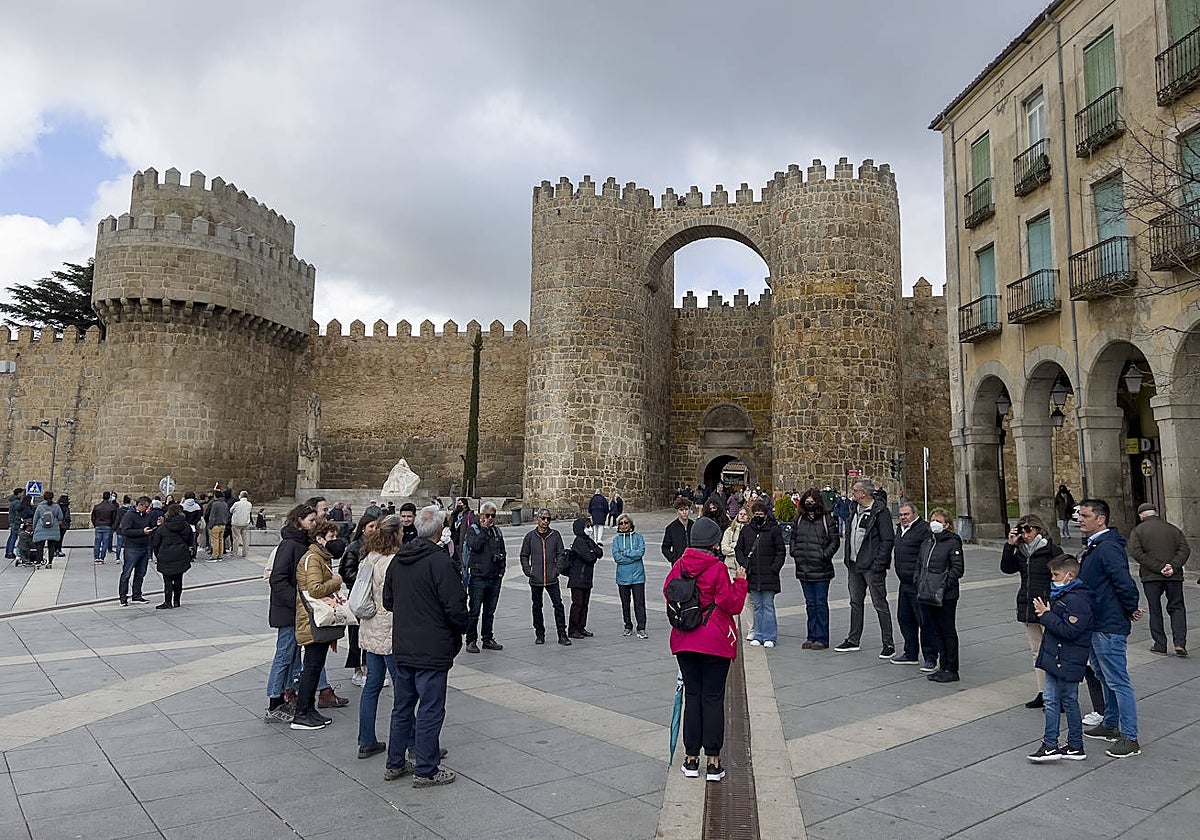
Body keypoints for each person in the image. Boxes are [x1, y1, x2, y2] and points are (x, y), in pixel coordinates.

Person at [382, 505, 469, 787]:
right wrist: (461, 627)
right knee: (430, 708)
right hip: (432, 647)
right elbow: (455, 607)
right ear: (441, 531)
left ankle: (395, 762)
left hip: (404, 645)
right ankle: (426, 769)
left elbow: (389, 601)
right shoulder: (440, 563)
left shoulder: (399, 560)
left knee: (402, 707)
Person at [664, 516, 748, 783]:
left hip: (684, 640)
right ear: (713, 543)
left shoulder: (678, 565)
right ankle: (713, 762)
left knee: (693, 696)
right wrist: (741, 582)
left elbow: (668, 592)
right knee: (712, 698)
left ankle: (690, 759)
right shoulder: (717, 569)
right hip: (714, 642)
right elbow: (732, 604)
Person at [264, 504, 347, 723]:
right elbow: (278, 579)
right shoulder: (290, 544)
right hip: (289, 610)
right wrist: (301, 602)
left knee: (302, 656)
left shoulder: (303, 544)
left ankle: (293, 695)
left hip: (300, 609)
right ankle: (274, 701)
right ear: (299, 520)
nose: (314, 523)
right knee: (285, 654)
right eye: (311, 520)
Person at [1076, 498, 1144, 758]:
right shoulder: (1096, 546)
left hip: (1108, 624)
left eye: (1085, 515)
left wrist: (1130, 606)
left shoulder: (1107, 547)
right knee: (1104, 676)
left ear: (1100, 519)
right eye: (1079, 515)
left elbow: (1123, 581)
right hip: (1096, 622)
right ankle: (1110, 724)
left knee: (1118, 681)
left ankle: (1130, 737)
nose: (1080, 519)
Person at [1027, 555, 1093, 762]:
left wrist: (1045, 615)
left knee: (1063, 700)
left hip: (1067, 658)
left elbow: (1071, 630)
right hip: (1058, 657)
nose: (1052, 579)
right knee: (1057, 700)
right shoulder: (1066, 595)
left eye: (1056, 575)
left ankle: (1054, 745)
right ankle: (1070, 745)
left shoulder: (1077, 599)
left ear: (1070, 576)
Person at [1001, 514, 1064, 707]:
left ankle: (1058, 695)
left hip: (1047, 606)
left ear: (1039, 529)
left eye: (1029, 530)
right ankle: (1042, 692)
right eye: (1022, 531)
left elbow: (1062, 578)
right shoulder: (1020, 551)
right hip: (1027, 604)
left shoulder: (1051, 550)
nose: (1026, 535)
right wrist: (1010, 545)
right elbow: (1006, 568)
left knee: (1052, 652)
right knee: (1037, 651)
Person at [290, 520, 346, 730]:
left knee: (315, 666)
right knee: (312, 667)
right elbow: (314, 589)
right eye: (331, 537)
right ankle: (302, 713)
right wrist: (336, 581)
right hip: (312, 621)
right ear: (320, 539)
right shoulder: (313, 559)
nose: (335, 541)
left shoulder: (320, 558)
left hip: (316, 620)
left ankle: (309, 709)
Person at [355, 514, 403, 758]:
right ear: (395, 534)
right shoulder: (395, 561)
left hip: (371, 627)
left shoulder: (370, 558)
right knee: (403, 689)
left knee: (371, 686)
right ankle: (413, 743)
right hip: (390, 630)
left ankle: (366, 740)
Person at [835, 478, 896, 657]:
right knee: (855, 602)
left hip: (871, 566)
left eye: (855, 491)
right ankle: (853, 639)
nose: (852, 493)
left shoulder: (879, 511)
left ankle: (888, 643)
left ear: (864, 493)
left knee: (879, 603)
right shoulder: (854, 509)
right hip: (854, 564)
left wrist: (879, 564)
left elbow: (887, 540)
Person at [1128, 502, 1190, 657]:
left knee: (1155, 610)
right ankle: (1179, 642)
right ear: (1156, 513)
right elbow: (1185, 549)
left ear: (1141, 515)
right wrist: (1172, 566)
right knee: (1177, 607)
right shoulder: (1173, 529)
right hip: (1174, 576)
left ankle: (1160, 645)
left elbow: (1136, 552)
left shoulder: (1138, 531)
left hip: (1151, 576)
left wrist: (1158, 567)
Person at [917, 509, 965, 683]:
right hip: (928, 592)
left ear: (947, 524)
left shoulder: (952, 542)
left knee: (947, 630)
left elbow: (957, 569)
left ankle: (952, 668)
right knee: (936, 630)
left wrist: (943, 586)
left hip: (946, 595)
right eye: (932, 519)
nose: (934, 523)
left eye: (938, 520)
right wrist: (920, 582)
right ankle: (943, 666)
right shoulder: (928, 541)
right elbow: (921, 564)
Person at [790, 489, 840, 651]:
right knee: (810, 605)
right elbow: (793, 539)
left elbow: (835, 540)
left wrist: (824, 555)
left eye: (812, 501)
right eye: (807, 501)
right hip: (803, 567)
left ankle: (822, 638)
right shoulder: (799, 519)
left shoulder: (826, 519)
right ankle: (811, 635)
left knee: (820, 604)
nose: (809, 504)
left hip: (821, 568)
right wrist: (794, 552)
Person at [736, 499, 785, 648]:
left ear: (765, 514)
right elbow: (739, 549)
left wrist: (774, 568)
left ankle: (770, 635)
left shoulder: (773, 530)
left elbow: (780, 551)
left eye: (761, 513)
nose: (758, 515)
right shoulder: (747, 530)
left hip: (769, 574)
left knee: (768, 606)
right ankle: (758, 633)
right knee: (757, 606)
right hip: (753, 574)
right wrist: (745, 564)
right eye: (756, 513)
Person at [892, 502, 935, 667]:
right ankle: (910, 653)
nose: (903, 517)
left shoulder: (923, 529)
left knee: (924, 621)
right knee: (905, 619)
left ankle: (930, 656)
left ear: (915, 514)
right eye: (901, 515)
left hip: (918, 583)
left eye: (906, 514)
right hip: (904, 582)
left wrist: (919, 576)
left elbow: (925, 555)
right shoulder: (900, 529)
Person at [519, 508, 571, 646]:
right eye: (543, 518)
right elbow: (524, 555)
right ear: (538, 519)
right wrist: (527, 570)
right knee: (537, 606)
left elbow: (561, 554)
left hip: (551, 577)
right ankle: (540, 633)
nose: (546, 521)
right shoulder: (530, 536)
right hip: (536, 578)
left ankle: (562, 634)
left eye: (548, 519)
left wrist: (557, 570)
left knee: (558, 605)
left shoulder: (555, 535)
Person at [340, 512, 380, 686]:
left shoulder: (378, 546)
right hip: (358, 594)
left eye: (376, 527)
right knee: (356, 634)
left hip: (373, 595)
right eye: (371, 526)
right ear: (363, 528)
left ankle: (367, 668)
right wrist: (363, 578)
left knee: (370, 633)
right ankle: (357, 668)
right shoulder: (354, 547)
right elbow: (346, 571)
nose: (374, 530)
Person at [464, 502, 506, 653]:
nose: (489, 518)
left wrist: (501, 571)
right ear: (480, 515)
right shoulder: (473, 530)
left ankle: (487, 638)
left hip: (494, 578)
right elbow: (474, 546)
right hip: (478, 578)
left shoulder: (497, 532)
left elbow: (502, 552)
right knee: (474, 611)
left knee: (489, 611)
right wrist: (483, 530)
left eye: (492, 516)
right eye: (487, 515)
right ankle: (471, 640)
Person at [151, 503, 194, 609]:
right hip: (181, 554)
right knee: (179, 578)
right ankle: (177, 601)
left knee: (167, 579)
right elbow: (190, 541)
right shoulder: (186, 526)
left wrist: (158, 554)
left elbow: (156, 543)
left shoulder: (163, 528)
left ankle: (167, 601)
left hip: (166, 555)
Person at [612, 513, 648, 638]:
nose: (623, 525)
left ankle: (641, 627)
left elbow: (640, 553)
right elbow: (617, 558)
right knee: (625, 603)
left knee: (639, 603)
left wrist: (626, 553)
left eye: (626, 522)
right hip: (622, 577)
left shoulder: (638, 537)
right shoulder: (616, 540)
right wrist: (632, 556)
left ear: (631, 524)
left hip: (638, 576)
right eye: (621, 523)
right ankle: (628, 625)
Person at [567, 516, 602, 638]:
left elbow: (599, 552)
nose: (590, 529)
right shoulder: (579, 542)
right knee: (577, 604)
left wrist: (593, 551)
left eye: (590, 526)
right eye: (587, 526)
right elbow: (589, 558)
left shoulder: (588, 541)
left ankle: (581, 627)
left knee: (585, 604)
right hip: (578, 578)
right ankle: (573, 629)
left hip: (587, 578)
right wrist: (593, 552)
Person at [32, 491, 63, 568]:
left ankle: (38, 562)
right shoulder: (56, 506)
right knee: (51, 547)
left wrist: (34, 528)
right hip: (53, 528)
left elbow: (35, 518)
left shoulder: (40, 506)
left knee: (40, 547)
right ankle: (50, 563)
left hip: (41, 528)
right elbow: (60, 517)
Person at [90, 491, 120, 565]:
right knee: (105, 543)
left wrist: (95, 524)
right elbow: (114, 518)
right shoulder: (112, 507)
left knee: (97, 542)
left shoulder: (97, 507)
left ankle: (96, 557)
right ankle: (102, 557)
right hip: (107, 526)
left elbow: (93, 517)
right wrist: (113, 526)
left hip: (98, 525)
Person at [662, 498, 693, 563]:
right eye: (681, 510)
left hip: (693, 562)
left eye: (686, 509)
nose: (684, 512)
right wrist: (673, 559)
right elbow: (665, 548)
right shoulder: (671, 528)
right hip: (679, 563)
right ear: (677, 511)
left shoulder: (694, 526)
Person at [206, 491, 231, 560]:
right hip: (223, 524)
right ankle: (220, 555)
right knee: (221, 540)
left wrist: (210, 525)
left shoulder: (215, 504)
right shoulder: (225, 504)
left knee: (215, 541)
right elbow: (227, 515)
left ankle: (214, 555)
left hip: (215, 524)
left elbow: (212, 516)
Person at [230, 491, 253, 557]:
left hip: (236, 523)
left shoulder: (237, 504)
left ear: (241, 496)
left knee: (236, 538)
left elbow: (231, 510)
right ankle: (245, 553)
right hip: (245, 523)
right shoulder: (249, 504)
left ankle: (235, 553)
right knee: (245, 539)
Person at [5, 488, 24, 560]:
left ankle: (8, 551)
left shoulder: (13, 501)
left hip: (12, 521)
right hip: (15, 522)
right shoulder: (17, 502)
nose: (22, 494)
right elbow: (18, 512)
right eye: (21, 493)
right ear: (18, 494)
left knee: (11, 537)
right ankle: (10, 552)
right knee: (14, 537)